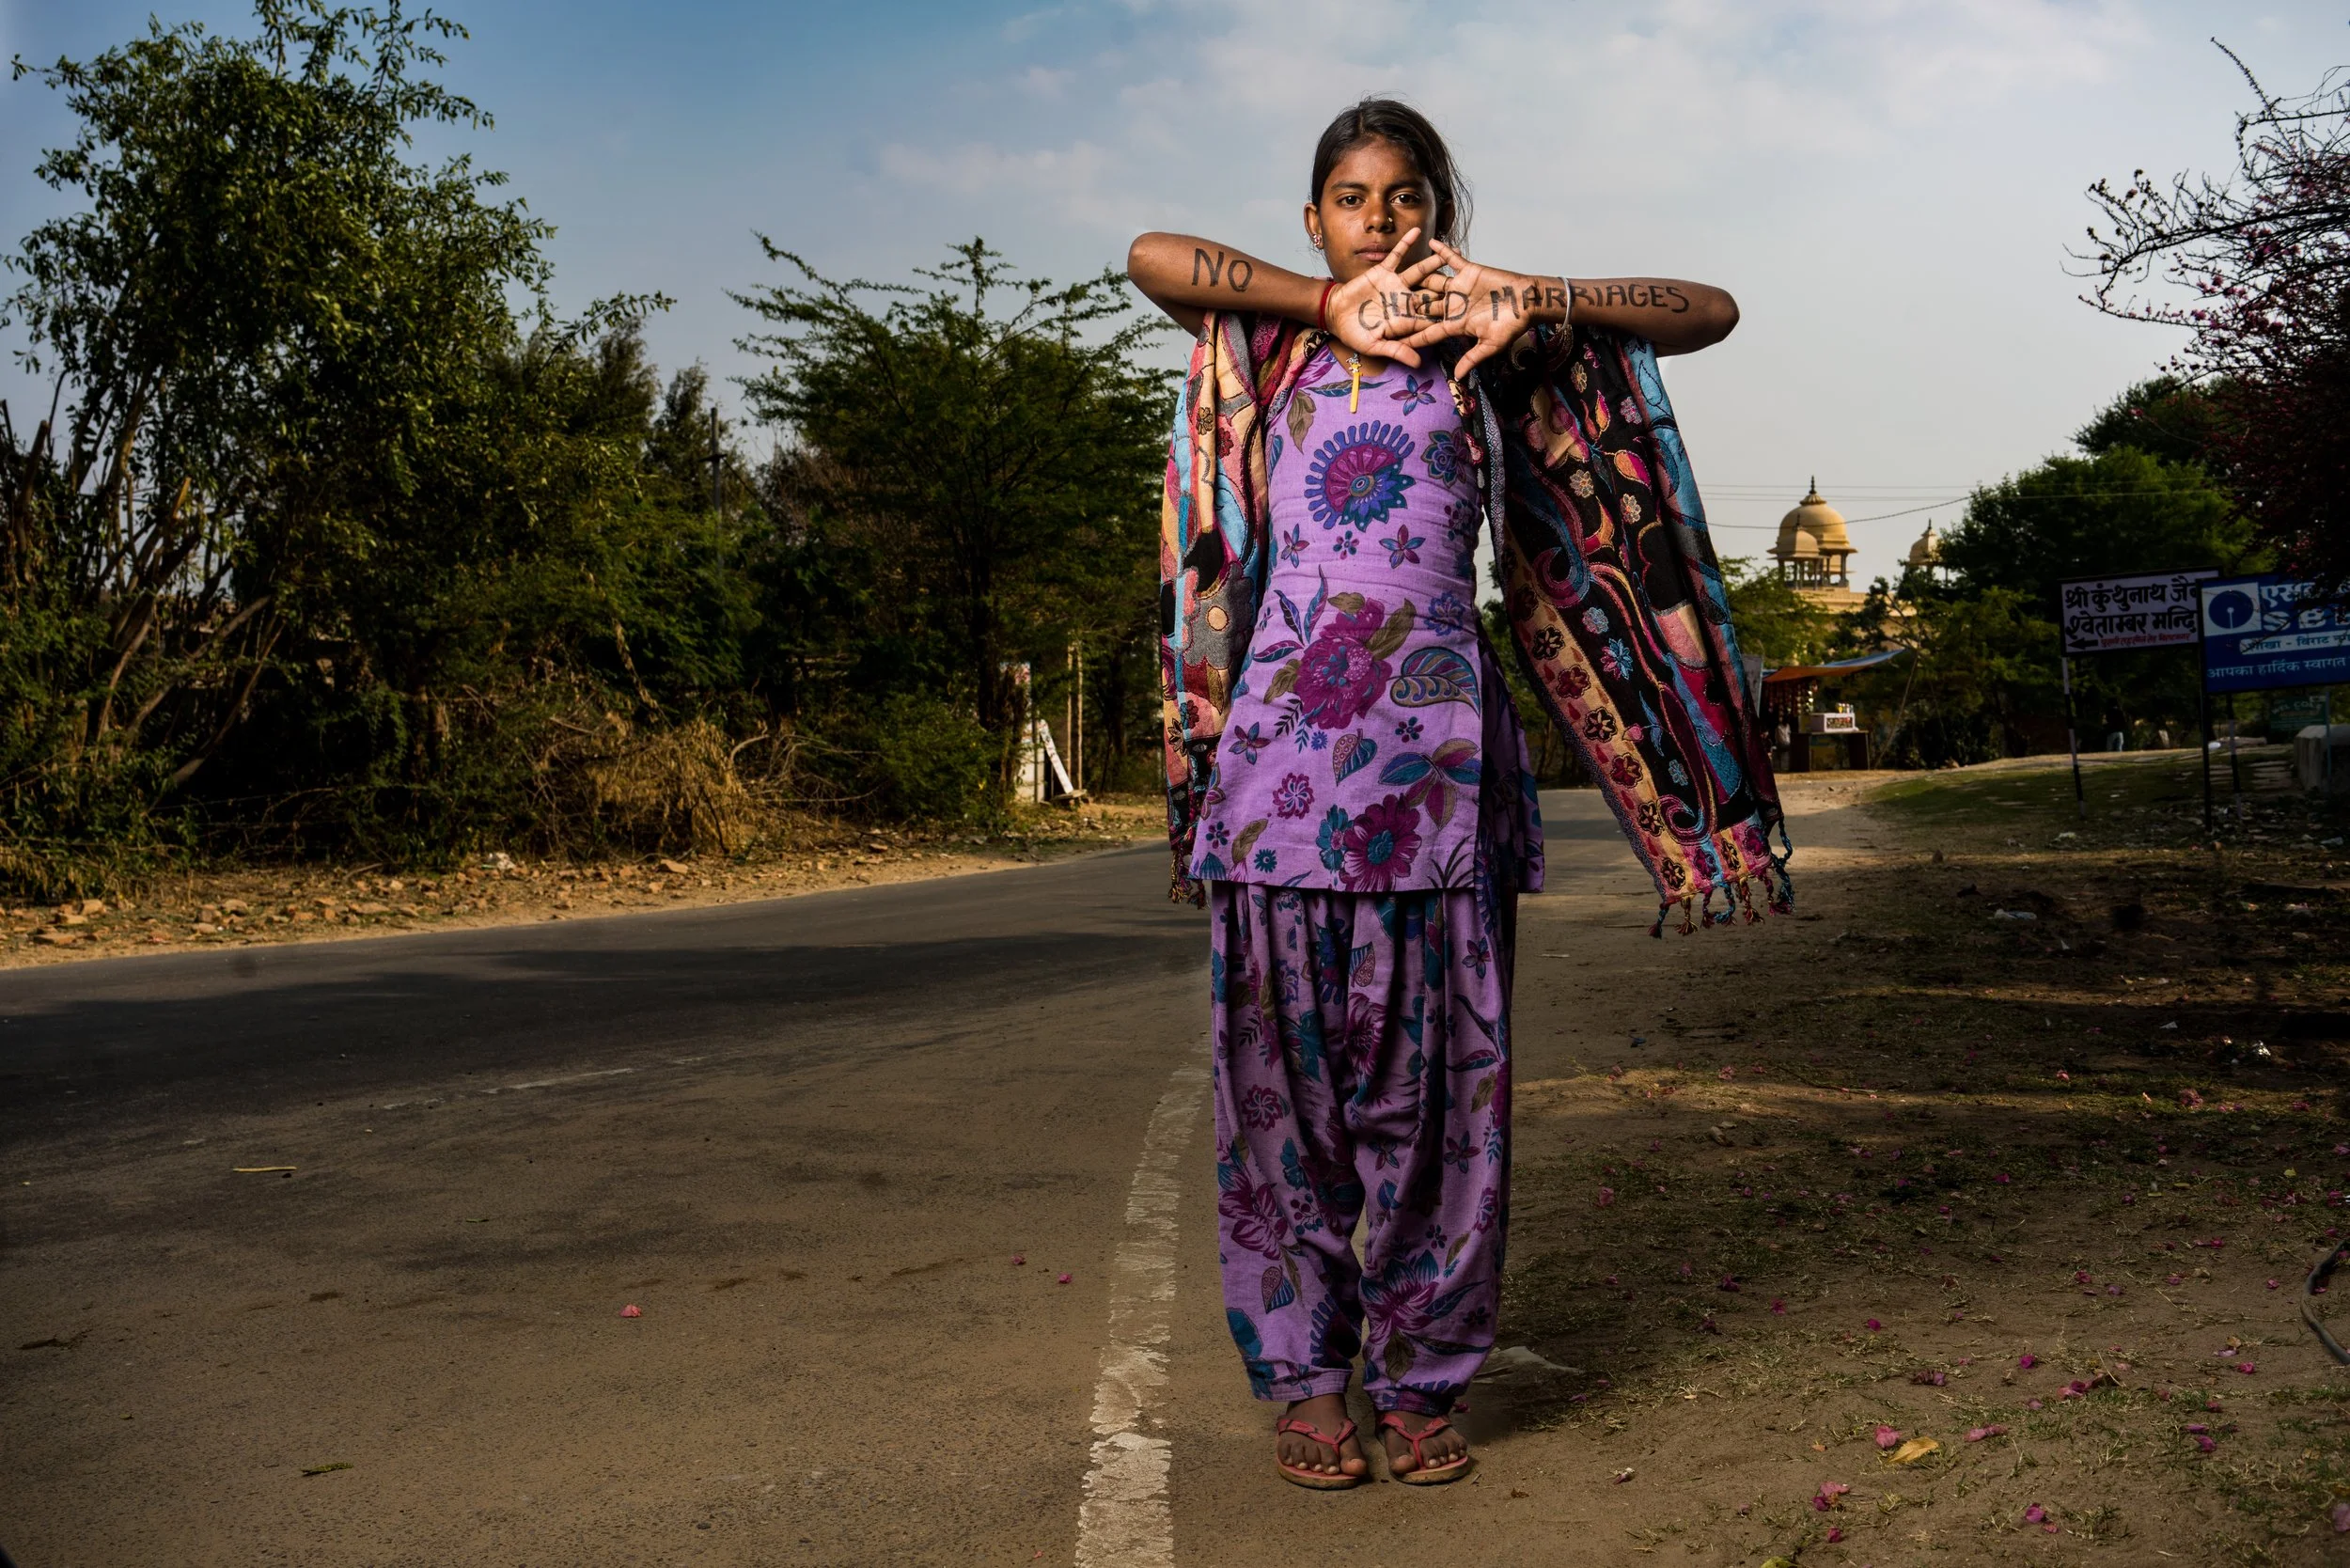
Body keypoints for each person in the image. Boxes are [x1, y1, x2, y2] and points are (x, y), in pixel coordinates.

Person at [1129, 98, 1764, 1490]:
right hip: (1278, 784)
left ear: (1443, 213)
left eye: (1409, 198)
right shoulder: (1272, 341)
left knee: (1444, 1107)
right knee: (1279, 1107)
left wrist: (1528, 294)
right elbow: (1151, 252)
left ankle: (1422, 1381)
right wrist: (1333, 306)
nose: (1384, 220)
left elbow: (1706, 310)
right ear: (1316, 220)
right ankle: (1306, 1379)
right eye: (1354, 198)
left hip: (1439, 785)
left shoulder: (1494, 346)